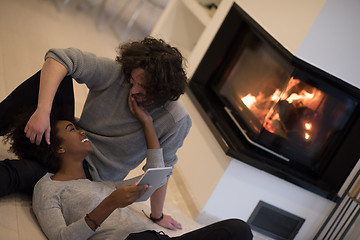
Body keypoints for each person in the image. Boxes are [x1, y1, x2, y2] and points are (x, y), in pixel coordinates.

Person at [0, 37, 192, 230]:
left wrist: (157, 216)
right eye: (132, 81)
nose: (133, 91)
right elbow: (59, 57)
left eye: (143, 88)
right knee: (60, 75)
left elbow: (159, 173)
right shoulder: (117, 74)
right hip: (69, 141)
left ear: (162, 92)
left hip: (85, 177)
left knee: (17, 173)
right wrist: (43, 110)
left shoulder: (176, 120)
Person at [4, 99, 253, 240]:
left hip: (156, 239)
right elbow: (61, 239)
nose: (81, 131)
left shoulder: (101, 184)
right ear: (58, 149)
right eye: (72, 130)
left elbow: (155, 178)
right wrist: (108, 205)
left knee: (238, 229)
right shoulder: (47, 187)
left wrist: (147, 124)